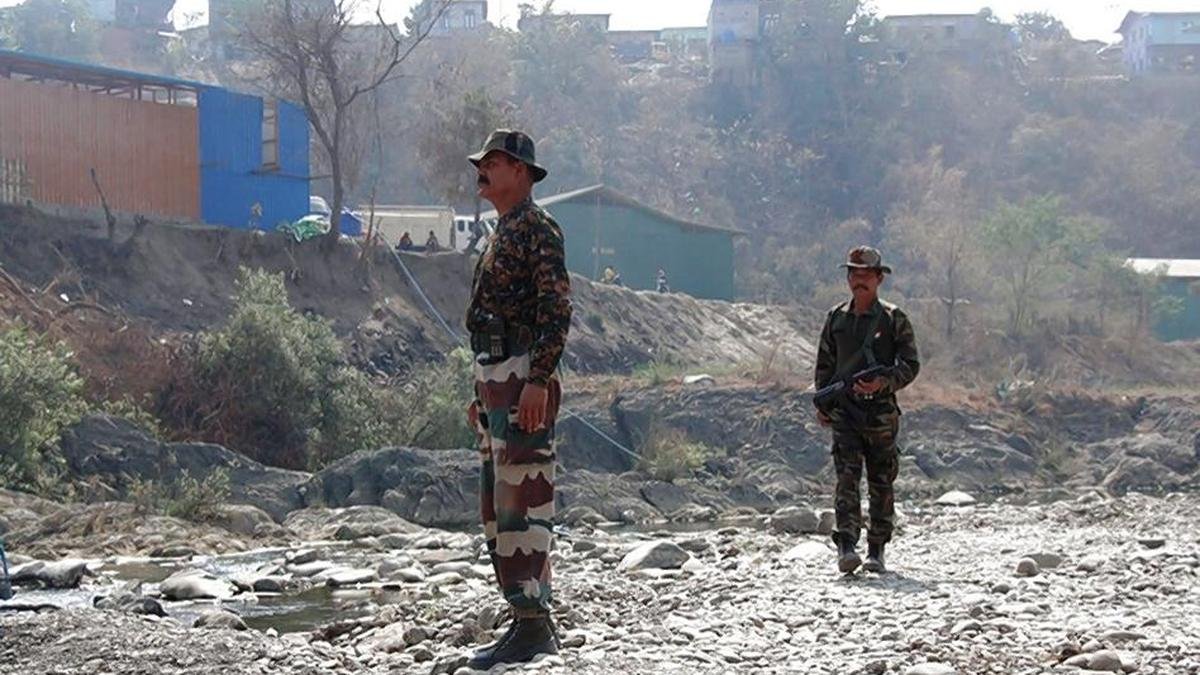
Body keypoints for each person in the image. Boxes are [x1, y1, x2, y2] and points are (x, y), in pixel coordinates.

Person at [463, 129, 571, 669]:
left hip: (523, 372)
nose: (482, 171)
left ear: (521, 172)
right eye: (481, 162)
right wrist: (480, 395)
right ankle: (527, 618)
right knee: (497, 503)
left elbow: (556, 309)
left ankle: (532, 625)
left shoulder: (537, 228)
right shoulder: (501, 231)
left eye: (494, 162)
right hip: (496, 377)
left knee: (522, 499)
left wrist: (538, 379)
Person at [814, 246, 920, 575]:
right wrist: (824, 402)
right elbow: (825, 365)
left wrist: (882, 383)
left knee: (881, 481)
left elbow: (910, 365)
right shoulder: (836, 318)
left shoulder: (893, 319)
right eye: (854, 275)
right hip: (845, 412)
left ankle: (877, 550)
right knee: (846, 479)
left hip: (881, 414)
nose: (859, 281)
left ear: (878, 279)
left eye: (866, 276)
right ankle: (846, 546)